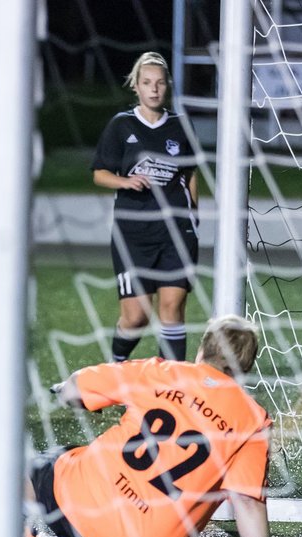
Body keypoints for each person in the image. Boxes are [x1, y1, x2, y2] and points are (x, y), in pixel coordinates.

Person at [0, 315, 302, 537]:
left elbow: (78, 389)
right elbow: (246, 500)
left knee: (39, 466)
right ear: (245, 367)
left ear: (203, 350)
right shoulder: (253, 418)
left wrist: (63, 389)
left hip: (86, 503)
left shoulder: (162, 371)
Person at [92, 51, 199, 363]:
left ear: (168, 87)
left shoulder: (181, 126)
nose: (154, 88)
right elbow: (99, 173)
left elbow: (190, 174)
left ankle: (170, 390)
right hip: (133, 235)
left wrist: (194, 214)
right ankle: (116, 370)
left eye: (160, 83)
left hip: (176, 232)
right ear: (136, 86)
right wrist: (125, 182)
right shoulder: (121, 126)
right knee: (137, 317)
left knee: (172, 310)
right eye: (147, 83)